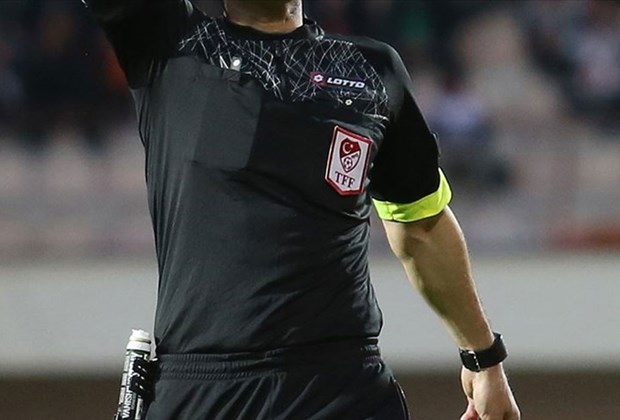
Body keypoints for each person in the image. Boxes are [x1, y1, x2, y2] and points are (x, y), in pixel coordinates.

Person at [84, 1, 520, 419]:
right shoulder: (167, 40)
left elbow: (422, 227)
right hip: (205, 389)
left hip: (341, 388)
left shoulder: (373, 70)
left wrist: (483, 357)